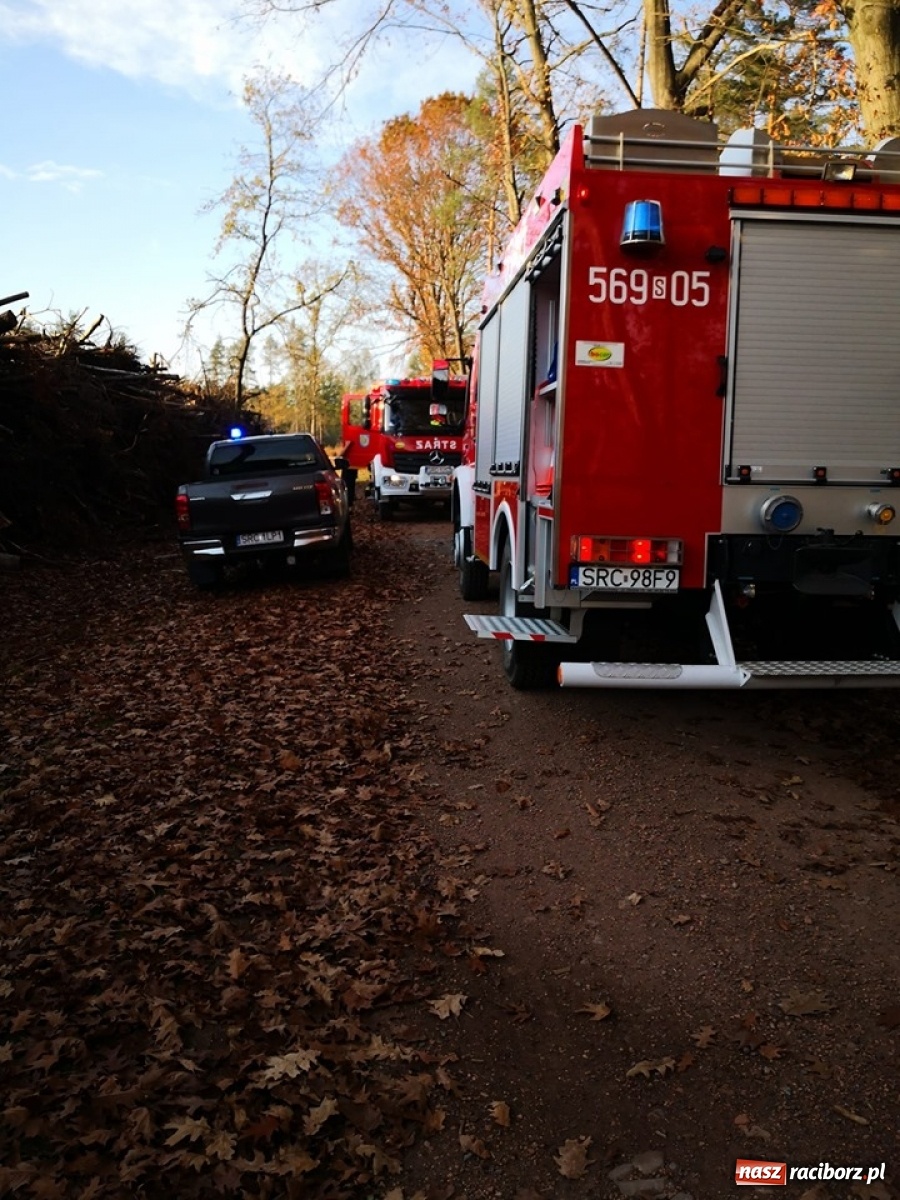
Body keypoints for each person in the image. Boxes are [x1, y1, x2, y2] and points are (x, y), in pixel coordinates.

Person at [339, 441, 358, 507]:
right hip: (349, 467)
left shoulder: (350, 440)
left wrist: (347, 445)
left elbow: (342, 454)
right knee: (348, 487)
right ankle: (349, 505)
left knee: (349, 487)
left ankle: (349, 506)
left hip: (350, 467)